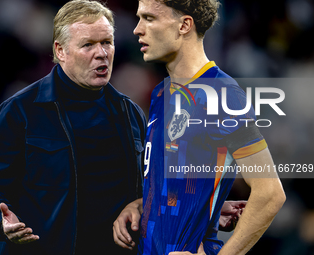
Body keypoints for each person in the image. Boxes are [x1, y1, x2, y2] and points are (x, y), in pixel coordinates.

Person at [113, 0, 286, 254]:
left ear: (184, 25)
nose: (137, 29)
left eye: (149, 19)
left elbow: (270, 193)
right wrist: (140, 206)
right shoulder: (161, 93)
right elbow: (171, 188)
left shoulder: (222, 94)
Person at [0, 1, 146, 254]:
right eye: (88, 44)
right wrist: (1, 223)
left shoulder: (131, 113)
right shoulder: (20, 110)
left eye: (106, 42)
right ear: (61, 50)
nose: (102, 53)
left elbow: (147, 192)